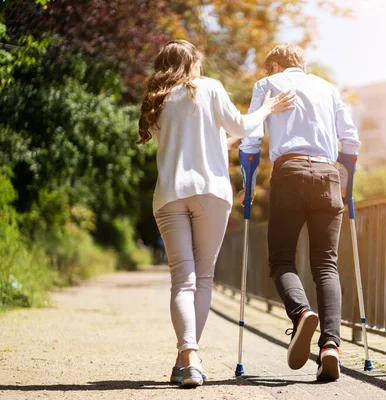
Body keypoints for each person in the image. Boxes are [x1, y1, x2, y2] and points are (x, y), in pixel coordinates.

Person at [137, 40, 295, 387]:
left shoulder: (158, 99)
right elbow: (241, 125)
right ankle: (189, 357)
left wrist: (224, 144)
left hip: (169, 196)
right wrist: (267, 109)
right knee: (203, 277)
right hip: (210, 192)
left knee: (182, 279)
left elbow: (189, 143)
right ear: (192, 63)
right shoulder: (208, 88)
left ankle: (187, 357)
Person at [239, 43, 360, 381]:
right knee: (326, 264)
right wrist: (346, 184)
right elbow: (350, 141)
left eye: (268, 68)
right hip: (327, 175)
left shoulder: (267, 86)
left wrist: (247, 182)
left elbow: (251, 139)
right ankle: (331, 346)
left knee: (281, 260)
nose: (266, 74)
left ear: (276, 64)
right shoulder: (328, 88)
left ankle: (301, 313)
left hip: (289, 172)